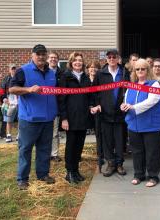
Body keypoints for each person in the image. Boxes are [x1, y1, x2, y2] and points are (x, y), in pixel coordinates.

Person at [9, 44, 57, 190]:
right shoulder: (23, 71)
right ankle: (22, 179)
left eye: (43, 54)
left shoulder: (51, 73)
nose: (41, 56)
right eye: (38, 54)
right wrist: (28, 89)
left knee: (45, 148)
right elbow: (12, 88)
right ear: (32, 55)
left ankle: (43, 174)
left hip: (48, 119)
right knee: (25, 149)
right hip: (30, 119)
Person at [121, 59, 160, 187]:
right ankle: (138, 174)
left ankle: (153, 176)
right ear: (134, 71)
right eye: (137, 69)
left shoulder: (154, 84)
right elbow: (126, 101)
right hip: (134, 125)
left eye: (143, 69)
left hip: (151, 125)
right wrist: (123, 106)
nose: (140, 71)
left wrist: (132, 107)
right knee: (136, 151)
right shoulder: (131, 86)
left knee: (152, 152)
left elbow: (151, 102)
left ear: (148, 70)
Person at [90, 49, 130, 177]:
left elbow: (130, 90)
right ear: (106, 59)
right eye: (109, 57)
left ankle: (119, 164)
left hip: (120, 113)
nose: (112, 59)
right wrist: (96, 105)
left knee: (119, 140)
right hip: (105, 113)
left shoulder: (125, 72)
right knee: (107, 140)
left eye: (114, 57)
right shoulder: (101, 74)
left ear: (118, 58)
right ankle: (110, 163)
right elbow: (94, 92)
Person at [58, 52, 92, 184]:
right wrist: (64, 118)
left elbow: (89, 96)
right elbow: (61, 99)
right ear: (71, 62)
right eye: (75, 60)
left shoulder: (85, 77)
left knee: (79, 145)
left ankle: (76, 170)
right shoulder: (65, 77)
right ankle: (69, 172)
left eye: (80, 60)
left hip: (83, 117)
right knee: (71, 145)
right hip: (70, 118)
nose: (78, 62)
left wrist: (92, 106)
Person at [86, 60, 103, 170]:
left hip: (97, 109)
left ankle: (100, 155)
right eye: (91, 67)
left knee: (99, 133)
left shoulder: (101, 80)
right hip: (86, 109)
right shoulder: (84, 80)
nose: (93, 69)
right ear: (88, 69)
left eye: (95, 67)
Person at [47, 51, 64, 162]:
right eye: (51, 57)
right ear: (48, 59)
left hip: (55, 106)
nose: (53, 59)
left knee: (54, 133)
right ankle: (45, 153)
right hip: (44, 105)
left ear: (57, 60)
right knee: (44, 132)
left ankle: (54, 153)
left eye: (55, 58)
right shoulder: (43, 72)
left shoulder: (62, 73)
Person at [1, 64, 18, 143]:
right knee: (9, 119)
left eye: (15, 69)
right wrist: (4, 98)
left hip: (19, 101)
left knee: (21, 119)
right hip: (10, 102)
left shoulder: (19, 78)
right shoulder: (6, 79)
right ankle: (9, 135)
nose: (13, 70)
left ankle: (19, 134)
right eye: (12, 69)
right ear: (9, 70)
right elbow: (1, 90)